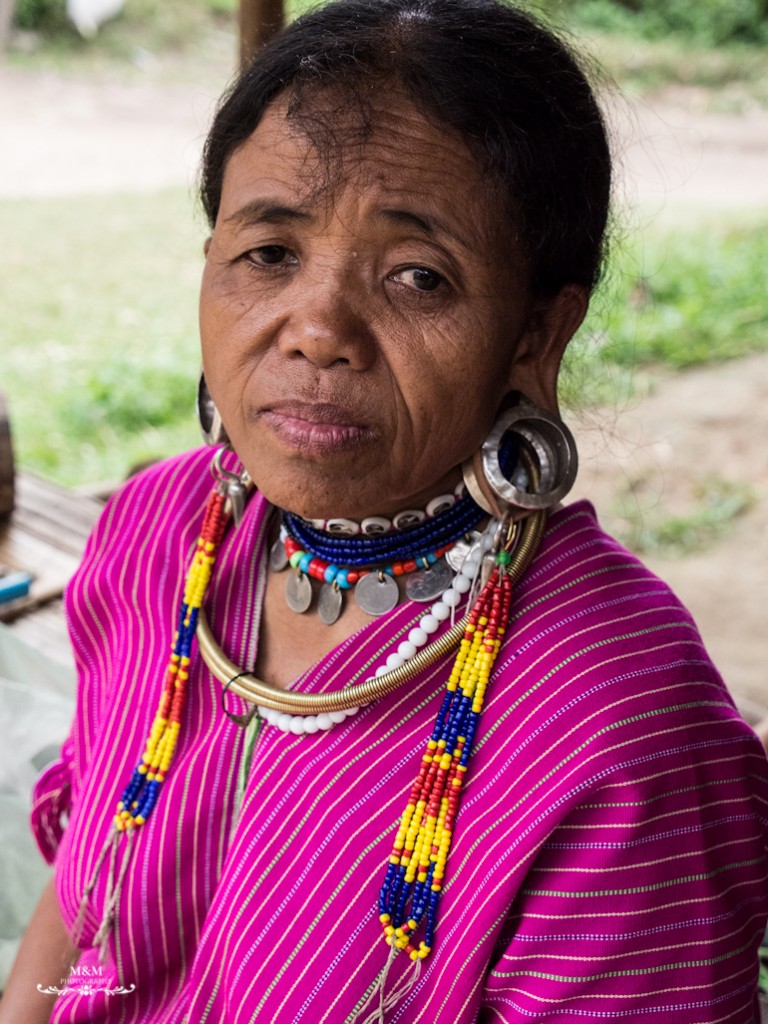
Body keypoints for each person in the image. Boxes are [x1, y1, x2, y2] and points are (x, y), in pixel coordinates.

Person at [2, 1, 767, 1021]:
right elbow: (81, 901)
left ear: (536, 334)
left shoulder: (620, 724)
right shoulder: (154, 533)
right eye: (269, 253)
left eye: (418, 277)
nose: (318, 330)